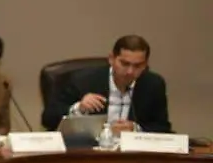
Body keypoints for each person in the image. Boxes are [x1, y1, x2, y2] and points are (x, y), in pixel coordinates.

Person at [42, 35, 171, 133]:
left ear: (145, 64)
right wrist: (79, 108)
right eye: (124, 64)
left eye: (138, 66)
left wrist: (136, 129)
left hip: (132, 155)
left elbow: (162, 127)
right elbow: (49, 119)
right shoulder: (82, 80)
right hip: (88, 152)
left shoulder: (153, 85)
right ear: (111, 59)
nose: (130, 71)